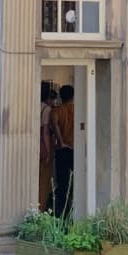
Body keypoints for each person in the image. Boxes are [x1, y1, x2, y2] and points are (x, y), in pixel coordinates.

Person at [51, 84, 76, 218]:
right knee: (77, 181)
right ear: (73, 96)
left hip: (62, 149)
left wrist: (61, 142)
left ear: (61, 96)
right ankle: (75, 208)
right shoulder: (80, 109)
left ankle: (62, 211)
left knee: (62, 182)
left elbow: (55, 126)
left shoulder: (56, 111)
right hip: (76, 149)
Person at [38, 82, 56, 212]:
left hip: (32, 142)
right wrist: (48, 151)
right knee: (44, 180)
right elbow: (45, 132)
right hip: (42, 144)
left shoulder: (32, 104)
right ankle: (41, 207)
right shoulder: (47, 109)